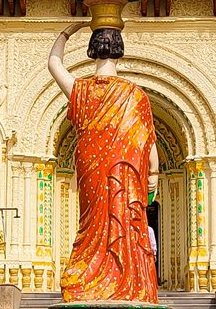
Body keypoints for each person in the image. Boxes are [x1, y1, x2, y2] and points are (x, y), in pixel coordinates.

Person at [48, 21, 159, 304]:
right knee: (121, 219)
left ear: (90, 50)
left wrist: (68, 32)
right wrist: (153, 179)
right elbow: (148, 144)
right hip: (125, 172)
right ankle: (125, 282)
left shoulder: (80, 90)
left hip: (92, 168)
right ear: (120, 50)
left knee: (93, 222)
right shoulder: (136, 94)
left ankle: (85, 281)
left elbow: (54, 63)